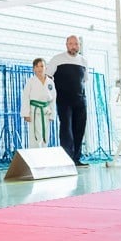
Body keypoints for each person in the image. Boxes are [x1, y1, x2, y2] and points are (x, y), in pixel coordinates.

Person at [47, 35, 88, 167]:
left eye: (76, 44)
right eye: (70, 44)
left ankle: (76, 158)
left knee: (79, 129)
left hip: (80, 100)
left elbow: (84, 80)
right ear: (66, 45)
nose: (73, 46)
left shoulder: (83, 61)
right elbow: (48, 77)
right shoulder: (57, 59)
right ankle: (67, 159)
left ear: (79, 46)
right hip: (64, 101)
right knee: (66, 129)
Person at [20, 58, 56, 148]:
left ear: (46, 68)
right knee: (35, 135)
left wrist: (53, 115)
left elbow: (53, 99)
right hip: (34, 112)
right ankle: (34, 157)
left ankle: (44, 156)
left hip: (46, 111)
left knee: (45, 135)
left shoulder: (50, 82)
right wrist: (26, 113)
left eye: (42, 66)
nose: (40, 68)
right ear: (34, 69)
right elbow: (25, 97)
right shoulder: (31, 81)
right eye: (37, 66)